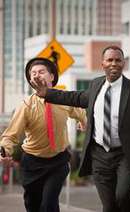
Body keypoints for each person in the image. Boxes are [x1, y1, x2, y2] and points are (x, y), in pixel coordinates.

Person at [31, 46, 130, 212]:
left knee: (122, 196)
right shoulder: (96, 85)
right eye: (109, 60)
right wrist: (47, 93)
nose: (113, 63)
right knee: (109, 206)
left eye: (118, 60)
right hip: (99, 155)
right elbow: (75, 97)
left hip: (126, 154)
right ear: (103, 64)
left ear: (123, 63)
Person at [0, 58, 86, 212]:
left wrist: (84, 122)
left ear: (52, 76)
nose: (37, 75)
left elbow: (81, 112)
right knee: (33, 206)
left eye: (41, 72)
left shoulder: (64, 99)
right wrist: (4, 151)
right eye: (33, 74)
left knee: (48, 204)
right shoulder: (26, 105)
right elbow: (10, 135)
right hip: (32, 162)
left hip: (58, 161)